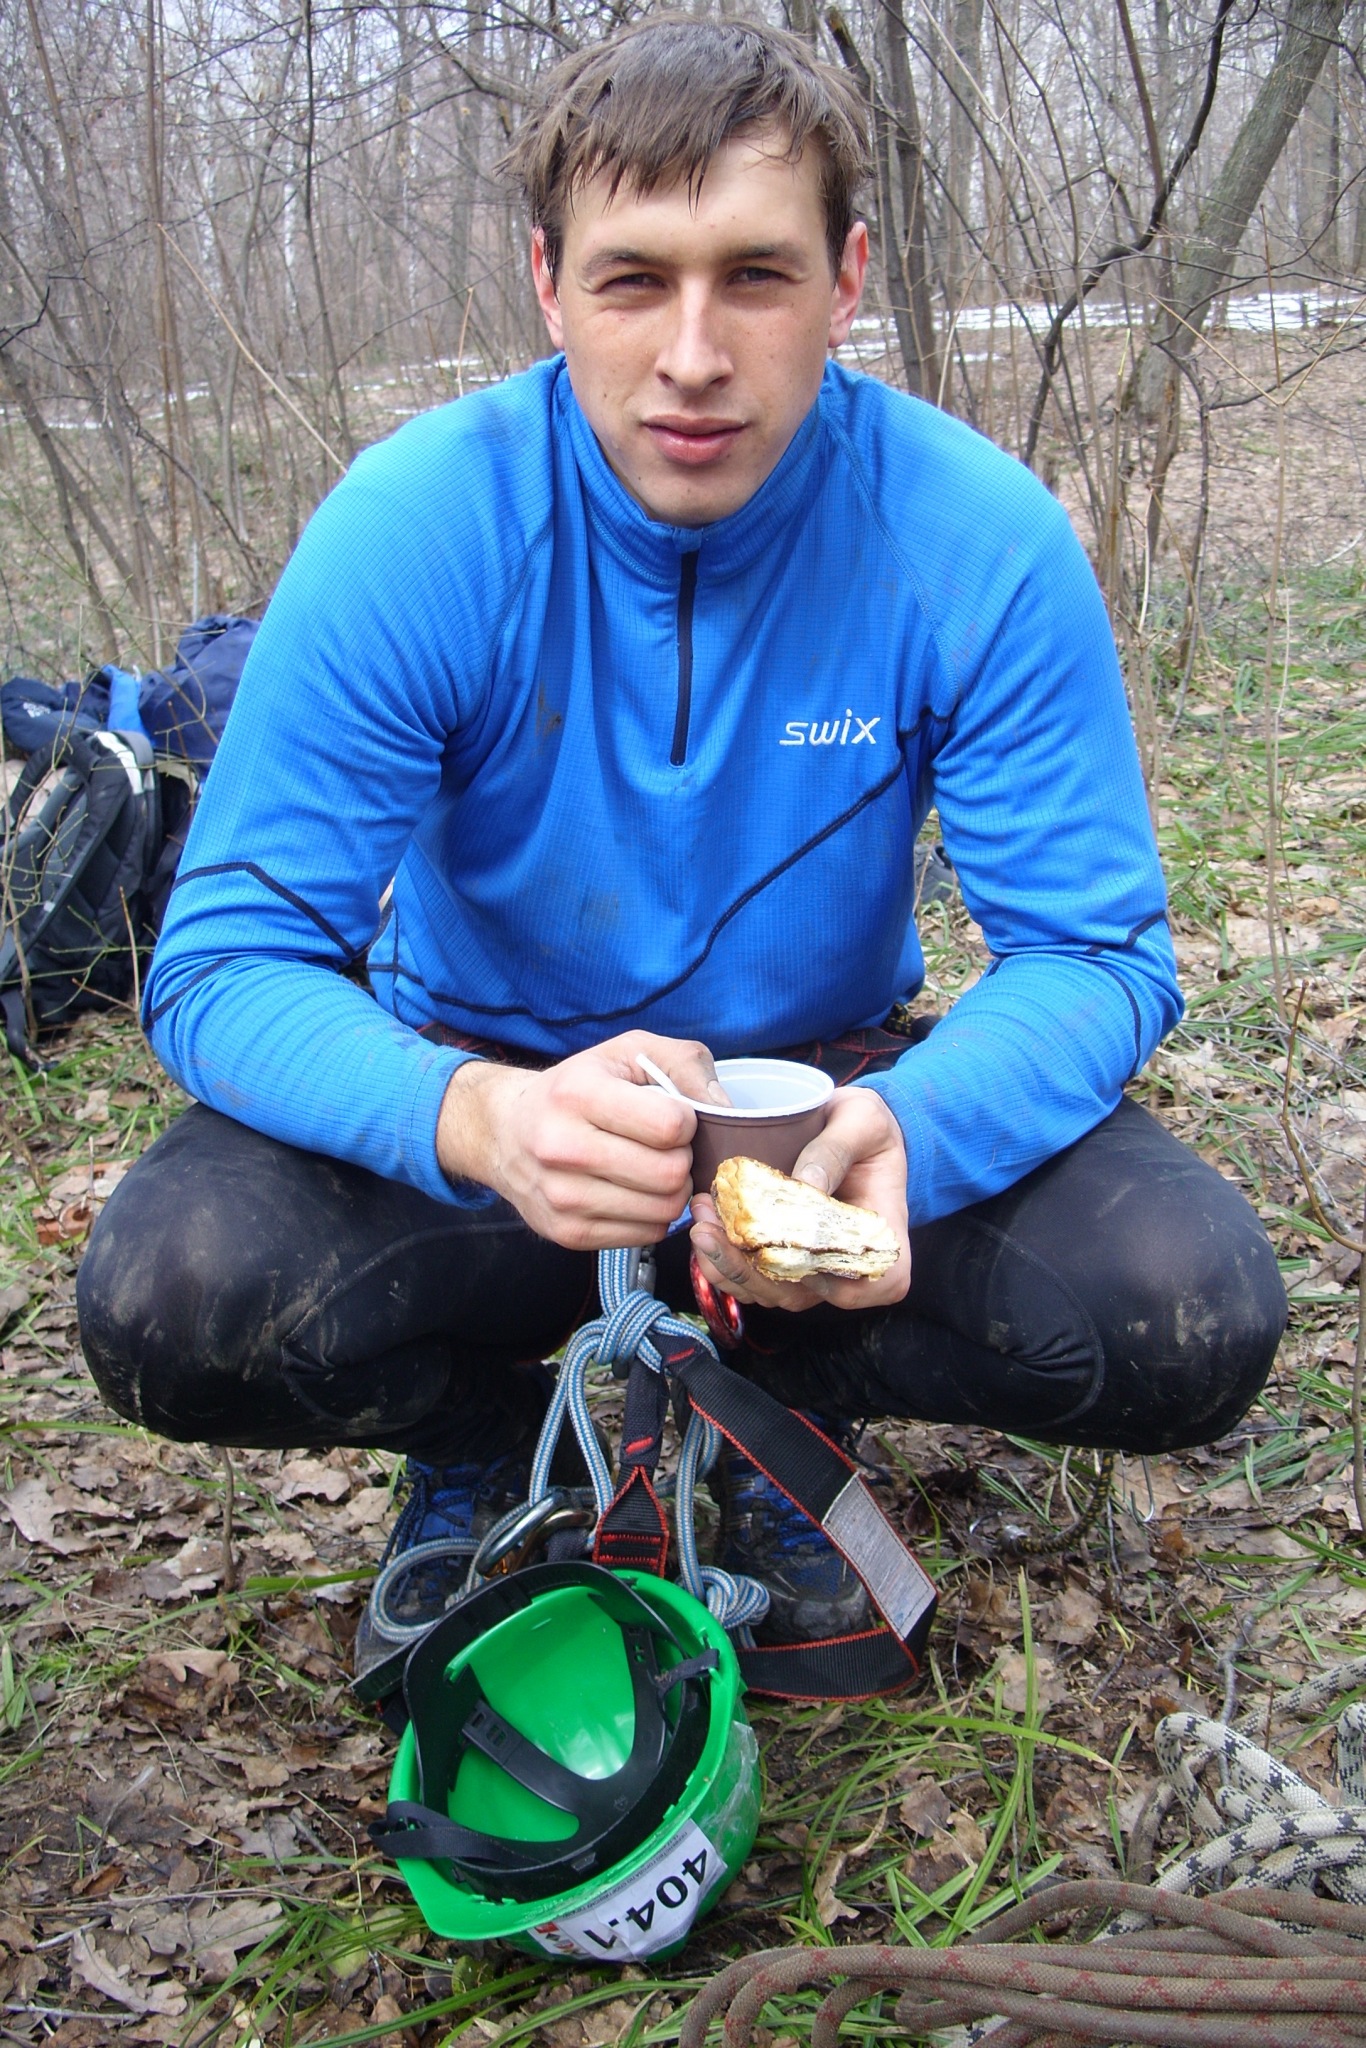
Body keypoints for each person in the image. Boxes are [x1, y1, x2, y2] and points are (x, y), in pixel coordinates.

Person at [77, 16, 1286, 1681]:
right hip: (496, 1111)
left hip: (816, 1108)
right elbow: (226, 957)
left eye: (756, 277)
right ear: (547, 285)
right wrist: (474, 1115)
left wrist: (905, 1134)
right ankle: (496, 1437)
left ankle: (764, 1401)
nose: (694, 355)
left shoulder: (971, 536)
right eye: (634, 280)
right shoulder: (421, 524)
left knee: (1180, 1306)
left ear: (846, 279)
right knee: (177, 1295)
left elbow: (1092, 953)